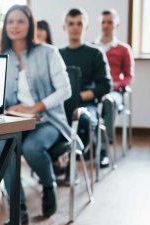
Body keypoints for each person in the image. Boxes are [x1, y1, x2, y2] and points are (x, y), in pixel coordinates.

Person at [0, 5, 72, 225]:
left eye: (20, 21)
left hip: (47, 120)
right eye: (10, 22)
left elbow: (65, 90)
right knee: (1, 149)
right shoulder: (1, 57)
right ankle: (19, 210)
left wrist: (35, 107)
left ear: (30, 25)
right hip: (12, 121)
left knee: (31, 148)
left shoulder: (48, 52)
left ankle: (49, 185)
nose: (15, 26)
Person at [59, 8, 112, 167]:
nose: (75, 27)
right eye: (71, 24)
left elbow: (105, 85)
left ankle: (93, 150)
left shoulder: (96, 53)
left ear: (86, 27)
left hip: (86, 104)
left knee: (82, 120)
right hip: (61, 104)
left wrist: (79, 97)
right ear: (65, 27)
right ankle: (58, 160)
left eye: (79, 24)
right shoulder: (57, 54)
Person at [94, 9, 135, 146]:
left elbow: (128, 76)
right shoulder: (92, 47)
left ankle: (105, 147)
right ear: (99, 24)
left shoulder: (123, 49)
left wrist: (116, 84)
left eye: (110, 22)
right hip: (95, 90)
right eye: (103, 22)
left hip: (114, 92)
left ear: (116, 25)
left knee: (108, 102)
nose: (106, 25)